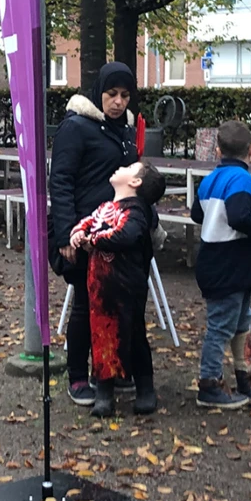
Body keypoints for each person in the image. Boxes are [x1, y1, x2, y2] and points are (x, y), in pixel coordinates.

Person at [48, 61, 140, 405]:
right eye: (111, 94)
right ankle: (76, 376)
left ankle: (110, 369)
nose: (118, 102)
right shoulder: (76, 127)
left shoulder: (125, 130)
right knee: (85, 304)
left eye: (125, 95)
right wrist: (64, 234)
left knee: (117, 301)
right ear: (98, 92)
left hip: (116, 231)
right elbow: (61, 180)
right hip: (81, 231)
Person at [191, 120, 251, 409]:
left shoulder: (209, 179)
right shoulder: (243, 181)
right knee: (220, 327)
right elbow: (239, 217)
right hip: (229, 262)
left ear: (218, 150)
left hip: (221, 261)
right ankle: (209, 383)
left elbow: (197, 214)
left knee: (241, 320)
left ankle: (245, 375)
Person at [69, 161, 166, 417]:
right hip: (100, 290)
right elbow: (88, 222)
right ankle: (104, 392)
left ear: (135, 182)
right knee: (101, 339)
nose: (121, 167)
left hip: (128, 289)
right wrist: (78, 234)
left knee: (134, 337)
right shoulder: (105, 208)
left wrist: (94, 241)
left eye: (130, 167)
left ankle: (145, 388)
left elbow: (126, 235)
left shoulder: (137, 212)